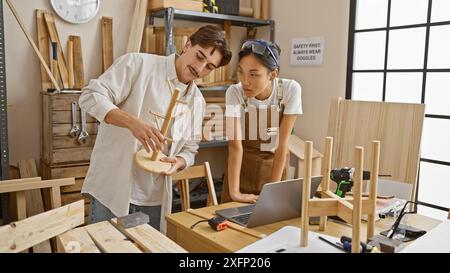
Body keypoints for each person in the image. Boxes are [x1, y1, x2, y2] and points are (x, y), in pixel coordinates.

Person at [79, 25, 232, 232]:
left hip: (154, 197)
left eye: (209, 67)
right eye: (199, 56)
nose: (200, 68)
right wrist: (133, 123)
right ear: (187, 45)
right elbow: (90, 96)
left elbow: (190, 149)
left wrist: (178, 162)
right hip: (113, 187)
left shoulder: (197, 101)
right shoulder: (138, 64)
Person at [221, 39, 302, 204]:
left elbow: (282, 145)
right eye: (241, 72)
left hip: (273, 169)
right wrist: (235, 192)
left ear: (273, 74)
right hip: (241, 168)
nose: (245, 81)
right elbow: (235, 145)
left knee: (270, 224)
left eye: (253, 74)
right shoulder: (234, 92)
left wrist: (271, 191)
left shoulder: (290, 90)